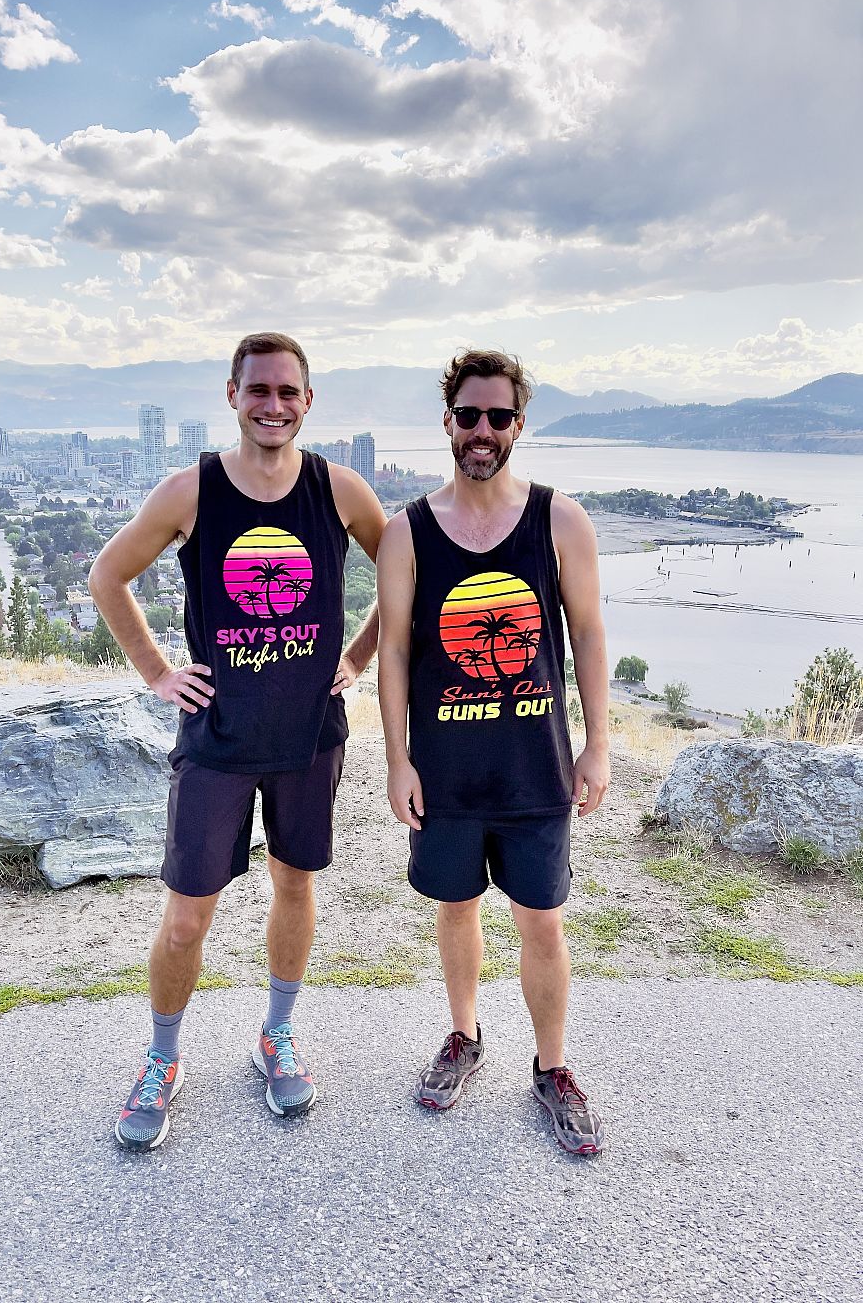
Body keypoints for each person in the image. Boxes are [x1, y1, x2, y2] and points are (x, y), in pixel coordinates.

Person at [90, 332, 386, 1151]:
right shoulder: (191, 492)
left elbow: (405, 573)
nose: (273, 405)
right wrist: (158, 671)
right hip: (217, 738)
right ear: (232, 395)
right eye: (259, 390)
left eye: (288, 392)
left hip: (308, 737)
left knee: (294, 885)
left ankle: (276, 1035)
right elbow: (107, 575)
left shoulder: (338, 489)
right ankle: (162, 1057)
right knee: (188, 916)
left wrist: (358, 657)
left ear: (308, 401)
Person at [376, 348, 610, 1156]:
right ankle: (464, 1034)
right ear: (448, 421)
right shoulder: (407, 531)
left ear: (519, 424)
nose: (482, 429)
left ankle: (553, 1067)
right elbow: (394, 652)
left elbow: (587, 635)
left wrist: (598, 745)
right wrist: (397, 758)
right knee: (456, 907)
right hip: (444, 770)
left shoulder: (560, 521)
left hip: (535, 766)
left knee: (542, 921)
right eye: (469, 414)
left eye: (498, 416)